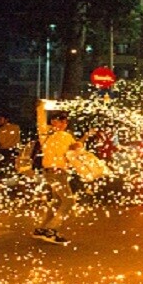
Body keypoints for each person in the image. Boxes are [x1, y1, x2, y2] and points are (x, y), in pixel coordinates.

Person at [32, 100, 92, 245]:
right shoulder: (46, 132)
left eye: (65, 121)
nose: (64, 123)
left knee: (58, 201)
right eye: (61, 120)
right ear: (53, 121)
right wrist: (40, 107)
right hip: (54, 171)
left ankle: (41, 229)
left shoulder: (67, 135)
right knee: (68, 201)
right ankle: (51, 229)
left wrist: (84, 138)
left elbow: (75, 149)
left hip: (59, 171)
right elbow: (40, 119)